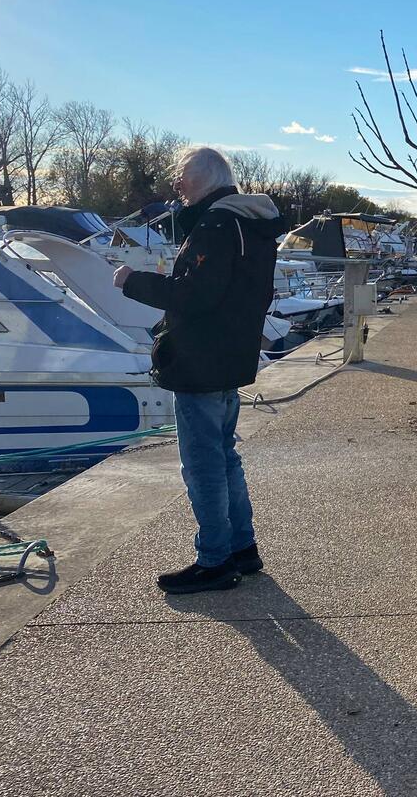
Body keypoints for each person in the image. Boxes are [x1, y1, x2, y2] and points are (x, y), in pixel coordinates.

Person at [113, 147, 284, 594]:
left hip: (200, 361)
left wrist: (133, 281)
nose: (178, 185)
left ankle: (215, 560)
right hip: (230, 357)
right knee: (225, 457)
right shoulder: (252, 223)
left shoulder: (216, 224)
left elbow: (194, 295)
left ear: (204, 180)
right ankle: (242, 549)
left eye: (183, 176)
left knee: (203, 464)